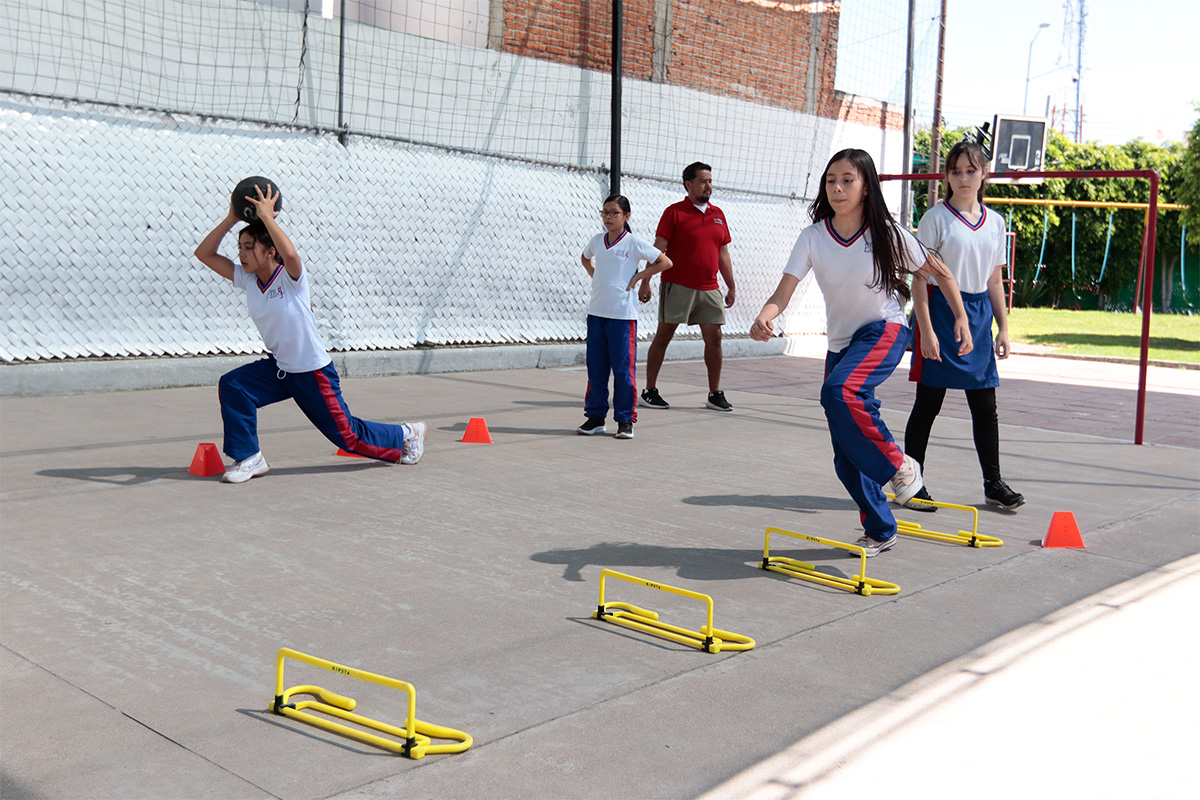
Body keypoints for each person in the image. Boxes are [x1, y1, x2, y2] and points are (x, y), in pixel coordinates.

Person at [750, 148, 973, 556]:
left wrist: (960, 318)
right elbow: (784, 291)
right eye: (831, 180)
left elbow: (939, 272)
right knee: (845, 456)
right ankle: (881, 529)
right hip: (841, 345)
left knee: (839, 392)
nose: (837, 188)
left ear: (866, 185)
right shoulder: (813, 236)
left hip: (883, 330)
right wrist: (765, 316)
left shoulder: (886, 232)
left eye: (847, 180)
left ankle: (901, 467)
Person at [193, 183, 425, 483]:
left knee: (348, 438)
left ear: (269, 251)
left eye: (249, 248)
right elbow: (204, 253)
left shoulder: (291, 279)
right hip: (279, 369)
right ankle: (249, 458)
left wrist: (267, 219)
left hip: (311, 372)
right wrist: (232, 218)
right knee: (234, 386)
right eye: (240, 248)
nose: (242, 254)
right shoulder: (248, 279)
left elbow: (290, 255)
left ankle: (408, 433)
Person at [903, 141, 1025, 511]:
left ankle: (993, 483)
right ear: (947, 176)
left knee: (985, 407)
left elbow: (993, 281)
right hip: (940, 312)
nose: (962, 178)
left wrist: (1003, 328)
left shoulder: (996, 223)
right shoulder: (935, 219)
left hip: (978, 318)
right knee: (928, 404)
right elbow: (920, 280)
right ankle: (912, 482)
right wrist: (925, 330)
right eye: (955, 171)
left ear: (984, 174)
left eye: (970, 170)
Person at [637, 161, 736, 412]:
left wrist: (731, 286)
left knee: (714, 339)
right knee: (664, 336)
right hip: (677, 285)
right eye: (703, 181)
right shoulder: (674, 212)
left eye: (710, 181)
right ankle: (649, 390)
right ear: (689, 184)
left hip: (710, 288)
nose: (708, 186)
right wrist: (645, 281)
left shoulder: (718, 215)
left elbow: (723, 253)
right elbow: (657, 248)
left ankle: (715, 393)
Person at [578, 194, 673, 439]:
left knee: (622, 370)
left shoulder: (633, 243)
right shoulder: (598, 241)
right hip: (597, 314)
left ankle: (625, 419)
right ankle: (596, 417)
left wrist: (639, 278)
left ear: (626, 216)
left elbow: (664, 262)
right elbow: (585, 257)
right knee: (596, 369)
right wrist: (595, 275)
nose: (608, 217)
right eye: (605, 213)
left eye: (614, 213)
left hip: (622, 317)